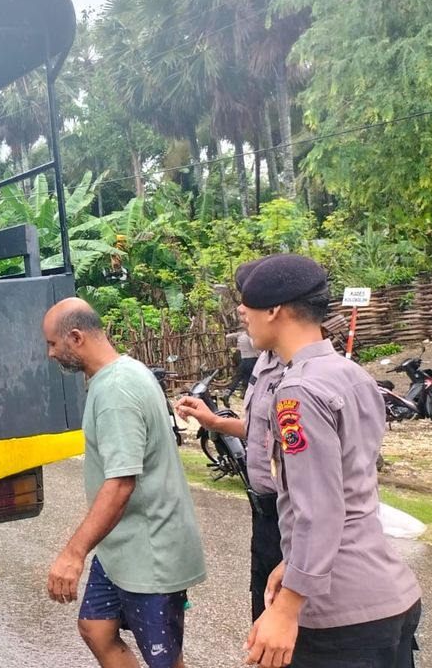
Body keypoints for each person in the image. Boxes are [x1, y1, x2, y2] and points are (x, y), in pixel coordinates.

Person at [237, 254, 421, 668]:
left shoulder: (298, 391)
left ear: (274, 311)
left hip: (341, 618)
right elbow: (350, 488)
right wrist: (292, 563)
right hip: (389, 596)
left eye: (248, 306)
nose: (243, 316)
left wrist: (287, 608)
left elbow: (319, 510)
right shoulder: (350, 372)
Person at [44, 298, 206, 668]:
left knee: (164, 659)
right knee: (96, 627)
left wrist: (73, 554)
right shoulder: (125, 371)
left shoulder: (116, 392)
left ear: (76, 337)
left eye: (53, 344)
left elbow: (121, 483)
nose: (50, 354)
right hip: (121, 546)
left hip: (151, 553)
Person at [176, 256, 288, 622]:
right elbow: (265, 433)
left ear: (274, 307)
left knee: (288, 626)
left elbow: (321, 493)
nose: (240, 309)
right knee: (264, 612)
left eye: (248, 299)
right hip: (266, 515)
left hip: (292, 520)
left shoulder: (302, 378)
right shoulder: (267, 361)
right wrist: (213, 421)